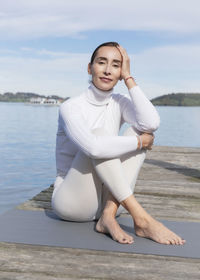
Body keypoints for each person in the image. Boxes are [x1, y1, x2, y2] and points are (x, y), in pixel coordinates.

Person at [51, 42, 186, 245]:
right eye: (101, 62)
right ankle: (141, 217)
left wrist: (129, 79)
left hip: (112, 201)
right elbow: (93, 148)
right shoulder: (71, 107)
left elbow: (151, 123)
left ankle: (108, 215)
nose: (107, 70)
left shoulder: (119, 101)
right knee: (100, 136)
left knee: (140, 128)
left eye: (116, 65)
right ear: (90, 68)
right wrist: (139, 142)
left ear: (121, 71)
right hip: (73, 202)